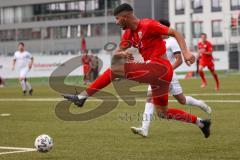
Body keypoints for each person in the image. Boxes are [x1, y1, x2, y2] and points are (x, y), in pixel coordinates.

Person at [63, 3, 211, 138]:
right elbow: (117, 51)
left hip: (161, 68)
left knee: (116, 70)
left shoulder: (148, 25)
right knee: (162, 113)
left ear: (125, 17)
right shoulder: (128, 34)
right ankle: (201, 122)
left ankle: (82, 97)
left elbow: (175, 33)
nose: (116, 22)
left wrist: (185, 52)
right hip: (157, 74)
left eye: (117, 19)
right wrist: (121, 53)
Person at [130, 19, 211, 137]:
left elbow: (179, 60)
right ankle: (144, 128)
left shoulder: (172, 42)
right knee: (149, 98)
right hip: (157, 75)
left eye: (161, 27)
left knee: (181, 100)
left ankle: (199, 104)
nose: (158, 29)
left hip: (169, 75)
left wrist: (167, 70)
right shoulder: (154, 40)